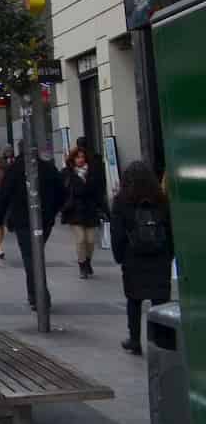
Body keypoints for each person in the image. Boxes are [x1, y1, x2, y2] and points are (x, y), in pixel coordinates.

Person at [110, 161, 173, 355]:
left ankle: (135, 340)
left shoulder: (121, 200)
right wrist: (169, 254)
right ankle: (163, 341)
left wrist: (120, 256)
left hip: (133, 257)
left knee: (134, 301)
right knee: (160, 301)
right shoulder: (161, 199)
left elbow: (117, 233)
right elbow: (170, 230)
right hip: (159, 257)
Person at [0, 148, 64, 312]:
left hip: (23, 221)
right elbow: (62, 192)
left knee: (29, 256)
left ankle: (38, 295)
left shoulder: (14, 169)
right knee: (35, 254)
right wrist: (52, 212)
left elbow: (3, 194)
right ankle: (36, 294)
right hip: (44, 220)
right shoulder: (48, 168)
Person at [59, 145, 104, 278]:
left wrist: (104, 210)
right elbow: (60, 191)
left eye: (82, 157)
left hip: (90, 210)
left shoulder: (93, 172)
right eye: (77, 157)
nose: (80, 159)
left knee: (90, 240)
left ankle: (88, 261)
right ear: (72, 159)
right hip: (74, 211)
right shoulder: (67, 173)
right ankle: (82, 266)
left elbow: (99, 192)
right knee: (80, 239)